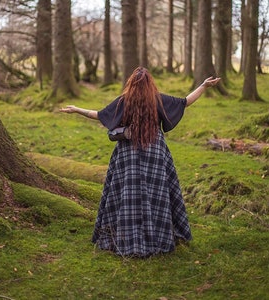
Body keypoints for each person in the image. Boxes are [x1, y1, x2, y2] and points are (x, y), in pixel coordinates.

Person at [60, 67, 221, 257]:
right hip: (156, 152)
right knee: (157, 194)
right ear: (150, 84)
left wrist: (77, 110)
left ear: (131, 84)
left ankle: (125, 237)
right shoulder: (157, 99)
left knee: (127, 194)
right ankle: (159, 237)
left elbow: (100, 115)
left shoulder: (124, 100)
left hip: (128, 154)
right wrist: (203, 86)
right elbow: (186, 102)